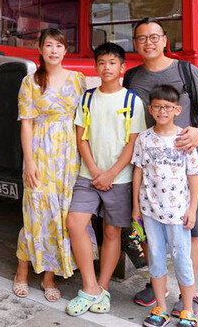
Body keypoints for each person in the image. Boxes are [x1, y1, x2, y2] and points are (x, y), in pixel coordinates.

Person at [124, 18, 198, 315]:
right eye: (142, 38)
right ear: (135, 44)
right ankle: (158, 287)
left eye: (154, 37)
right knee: (151, 233)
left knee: (191, 231)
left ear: (165, 40)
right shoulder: (131, 77)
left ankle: (189, 294)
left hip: (182, 169)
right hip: (148, 168)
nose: (148, 43)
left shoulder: (186, 71)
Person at [65, 42, 146, 317]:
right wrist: (95, 170)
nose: (106, 67)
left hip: (119, 178)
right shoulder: (87, 98)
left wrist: (110, 174)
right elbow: (81, 138)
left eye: (112, 63)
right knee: (75, 223)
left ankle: (104, 286)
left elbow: (133, 143)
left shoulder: (132, 101)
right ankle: (89, 287)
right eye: (101, 63)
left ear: (122, 68)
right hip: (87, 176)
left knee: (112, 232)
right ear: (96, 67)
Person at [15, 28, 88, 302]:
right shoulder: (30, 82)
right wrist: (29, 161)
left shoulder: (78, 80)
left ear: (65, 50)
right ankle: (22, 269)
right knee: (35, 212)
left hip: (69, 157)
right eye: (49, 45)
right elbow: (26, 125)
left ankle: (49, 276)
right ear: (40, 49)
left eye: (59, 45)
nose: (54, 50)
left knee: (61, 214)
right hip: (41, 153)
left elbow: (84, 120)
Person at [132, 84, 198, 327]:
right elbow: (138, 172)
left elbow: (193, 176)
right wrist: (135, 207)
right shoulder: (143, 139)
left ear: (177, 110)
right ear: (150, 109)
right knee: (156, 258)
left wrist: (192, 209)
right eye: (158, 107)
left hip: (178, 214)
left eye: (167, 107)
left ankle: (187, 310)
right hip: (150, 212)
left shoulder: (184, 139)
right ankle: (160, 308)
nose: (162, 111)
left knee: (182, 260)